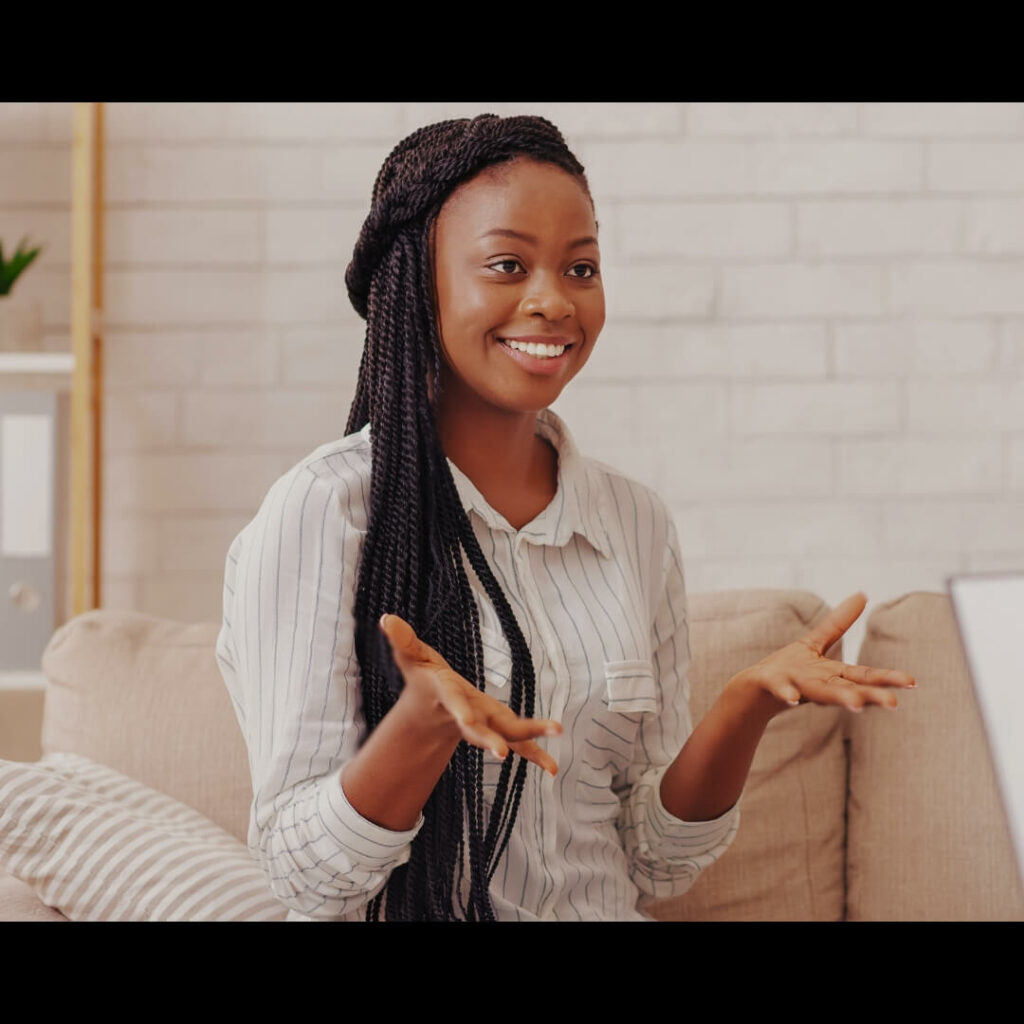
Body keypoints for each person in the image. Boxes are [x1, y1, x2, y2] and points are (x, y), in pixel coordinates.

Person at [215, 114, 915, 921]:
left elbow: (653, 862)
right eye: (507, 265)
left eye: (580, 267)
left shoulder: (633, 521)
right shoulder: (326, 511)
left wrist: (743, 708)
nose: (553, 300)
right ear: (416, 281)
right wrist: (420, 727)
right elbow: (305, 876)